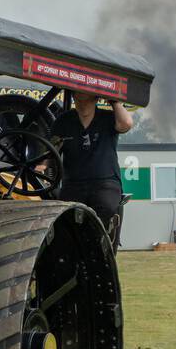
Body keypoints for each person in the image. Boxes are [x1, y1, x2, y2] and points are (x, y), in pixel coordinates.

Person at [49, 90, 133, 248]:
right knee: (65, 222)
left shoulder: (108, 118)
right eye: (77, 92)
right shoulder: (63, 122)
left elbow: (126, 124)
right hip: (73, 185)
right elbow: (49, 156)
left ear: (97, 96)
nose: (81, 95)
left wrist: (114, 101)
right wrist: (42, 168)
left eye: (86, 92)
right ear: (73, 95)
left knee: (106, 208)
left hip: (105, 184)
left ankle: (103, 252)